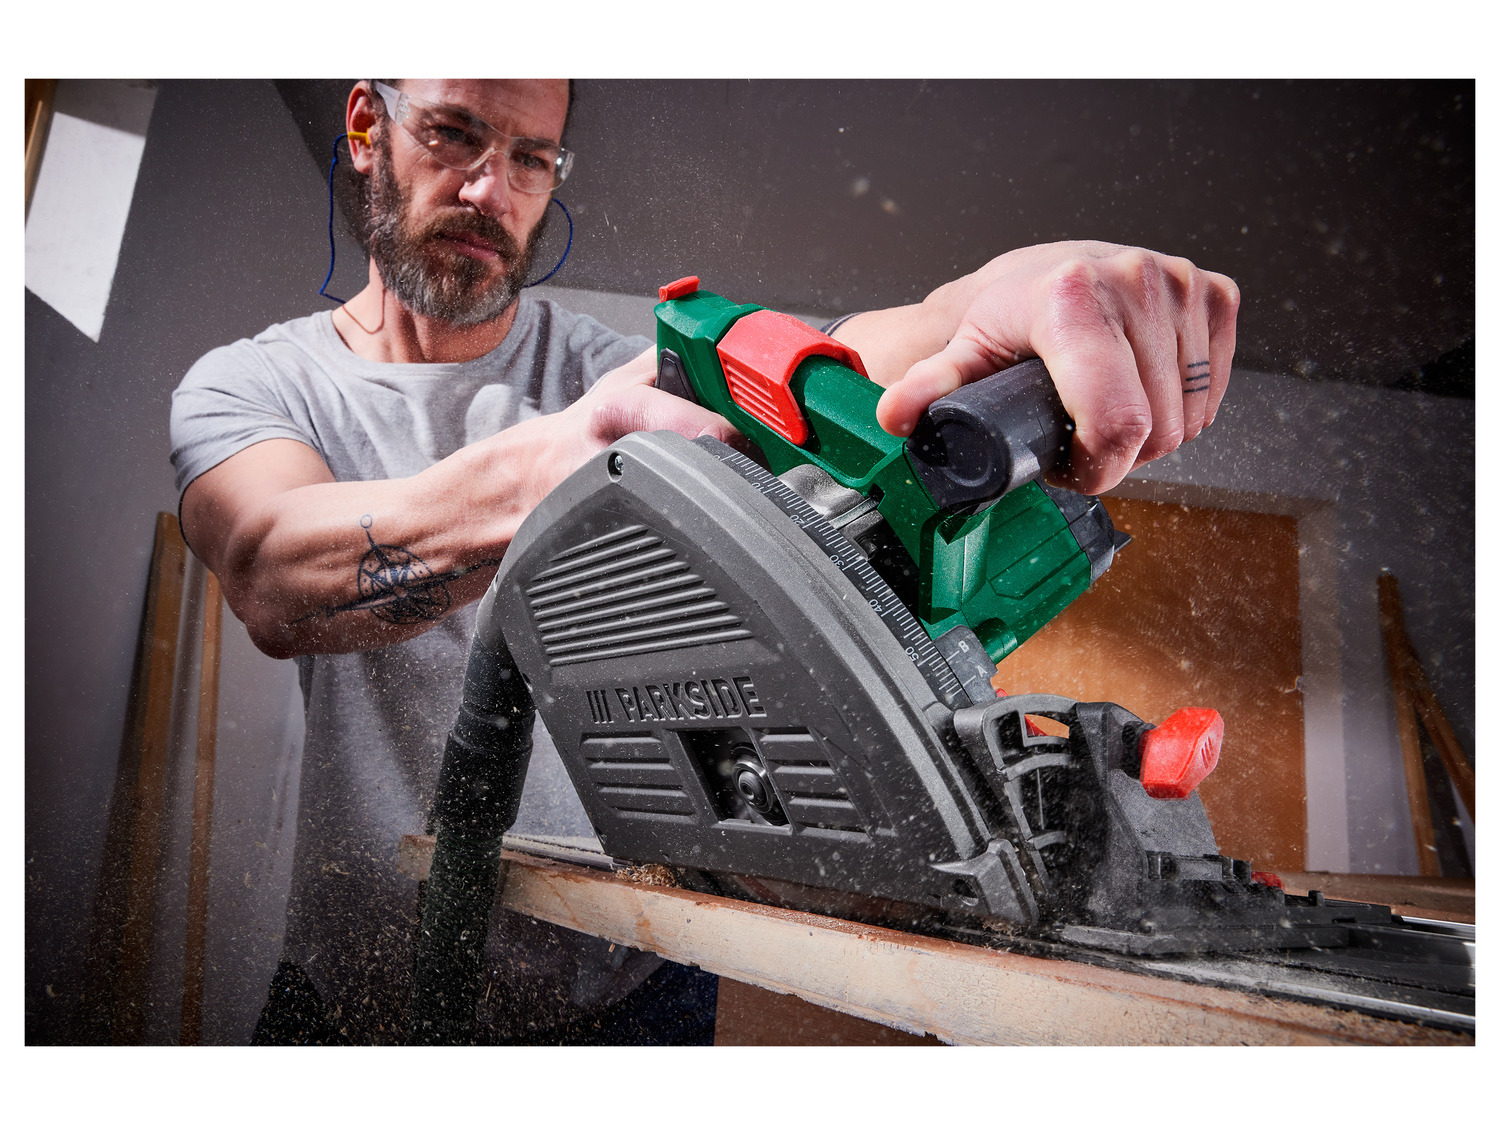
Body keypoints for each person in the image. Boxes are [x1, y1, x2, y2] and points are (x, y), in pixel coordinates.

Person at [169, 79, 1239, 1044]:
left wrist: (980, 302)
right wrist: (564, 468)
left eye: (533, 158)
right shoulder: (258, 383)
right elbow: (269, 568)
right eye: (454, 134)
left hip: (634, 987)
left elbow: (828, 366)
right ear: (367, 126)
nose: (493, 191)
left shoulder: (603, 369)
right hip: (361, 997)